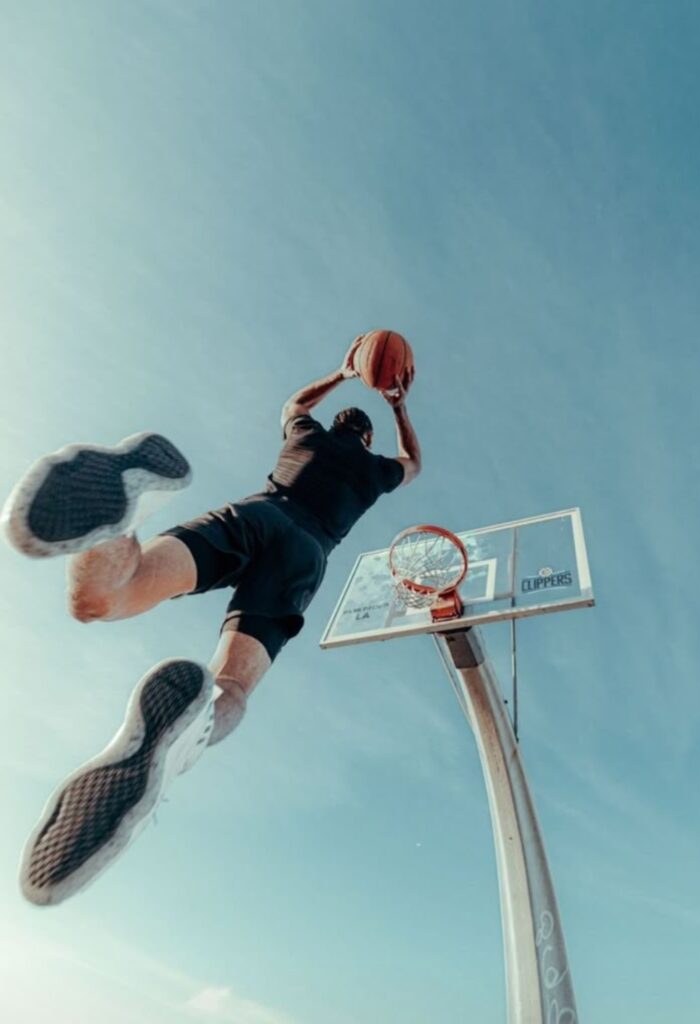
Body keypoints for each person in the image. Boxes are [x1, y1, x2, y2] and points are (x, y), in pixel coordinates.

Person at [2, 335, 420, 905]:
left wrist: (343, 372)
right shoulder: (374, 472)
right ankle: (184, 743)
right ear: (366, 438)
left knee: (104, 598)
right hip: (305, 556)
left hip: (258, 514)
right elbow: (413, 463)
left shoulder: (307, 435)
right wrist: (397, 404)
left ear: (334, 423)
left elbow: (294, 405)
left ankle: (122, 520)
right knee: (232, 686)